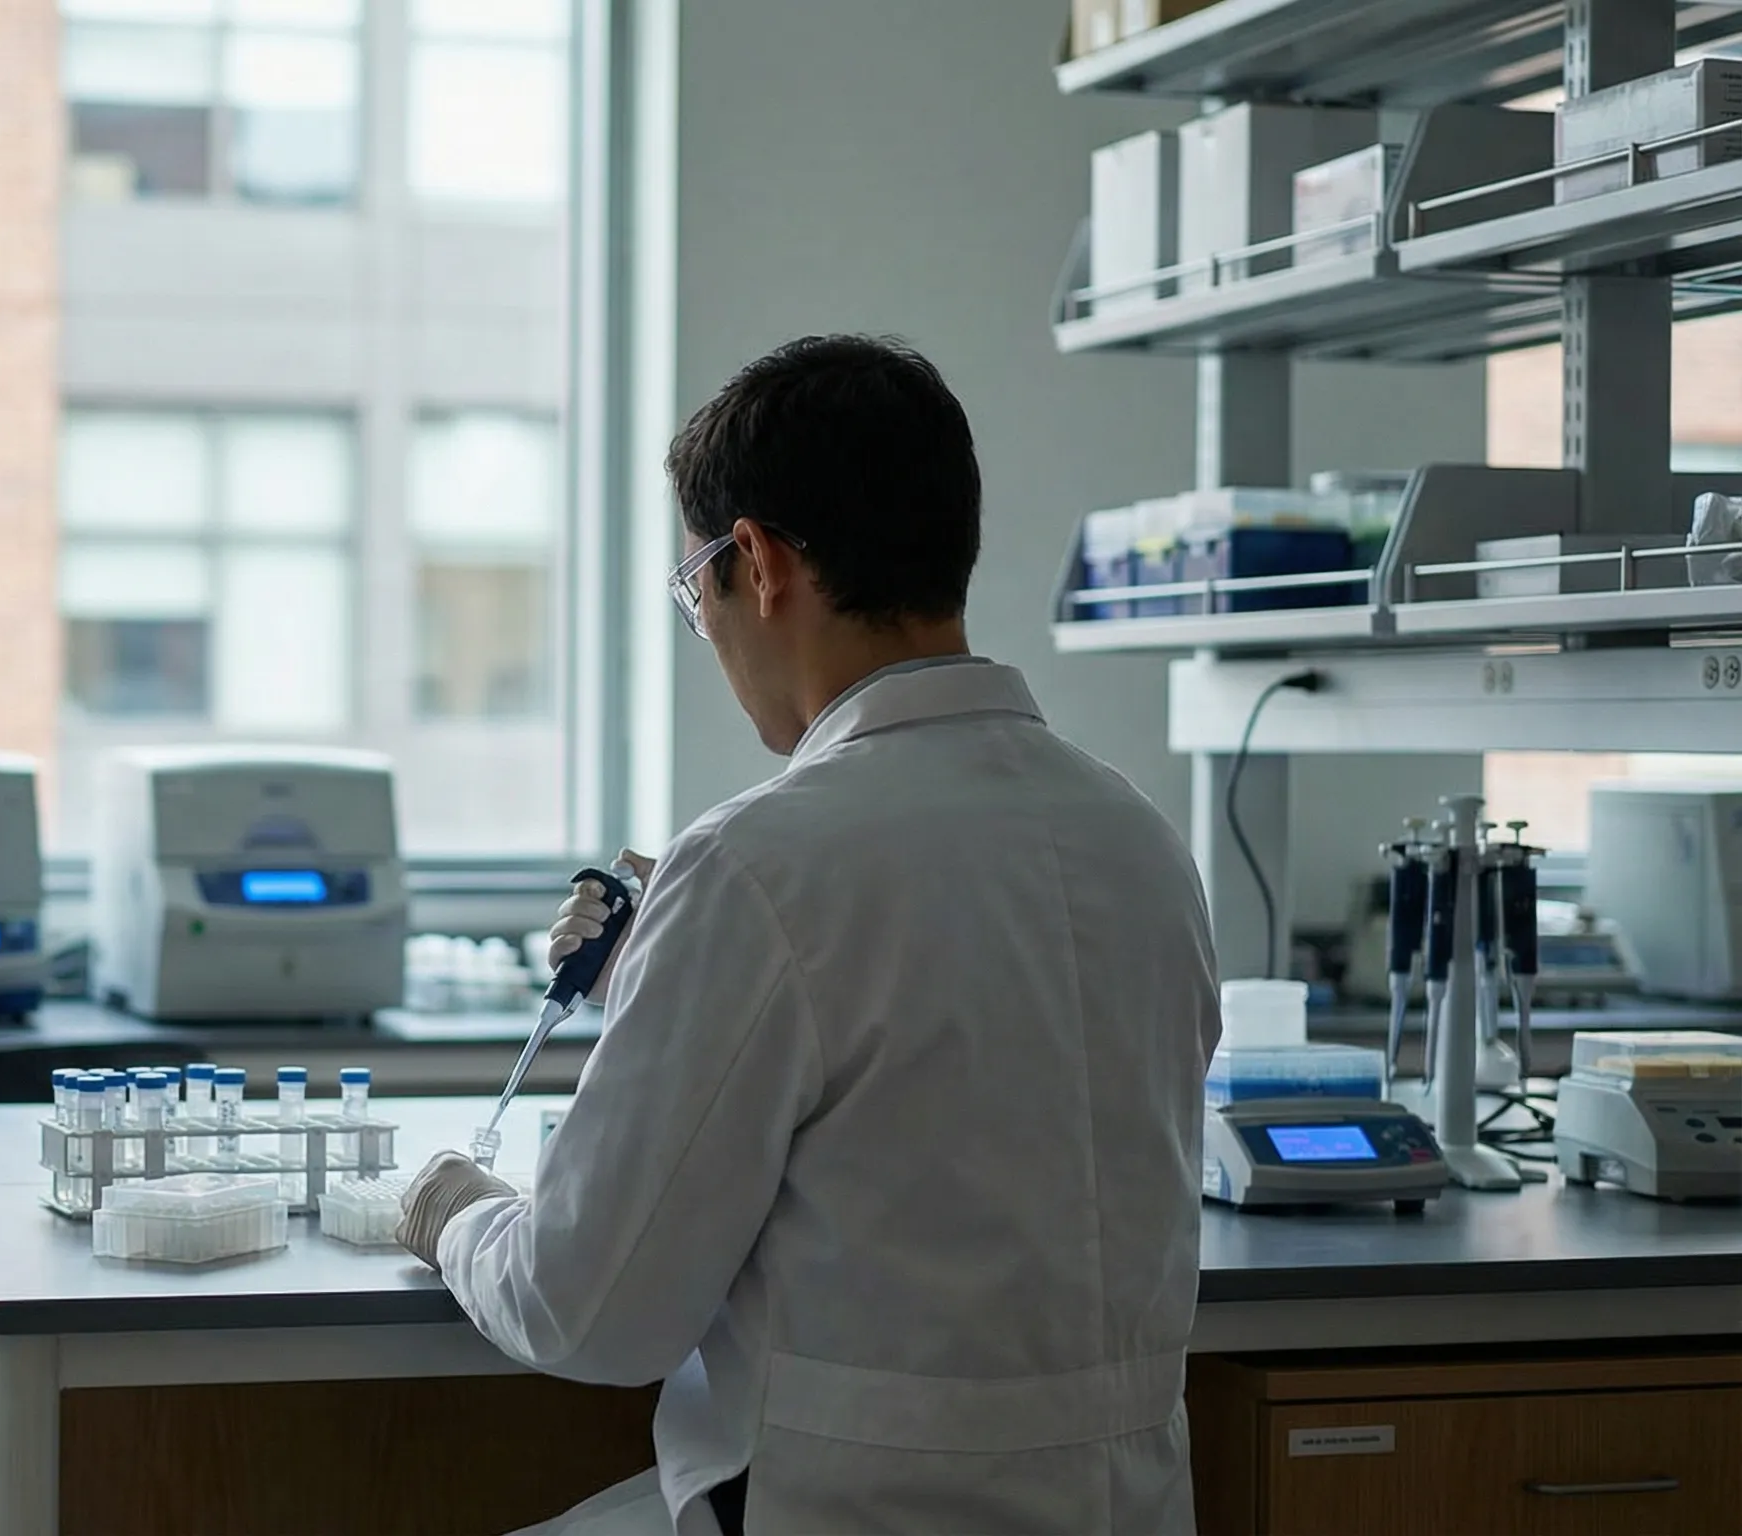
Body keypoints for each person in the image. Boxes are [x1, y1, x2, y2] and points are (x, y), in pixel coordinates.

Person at [398, 335, 1221, 1536]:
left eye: (696, 595)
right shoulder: (1138, 839)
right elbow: (951, 1099)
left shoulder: (756, 864)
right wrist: (674, 974)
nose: (710, 629)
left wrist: (448, 1208)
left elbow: (587, 1313)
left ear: (759, 563)